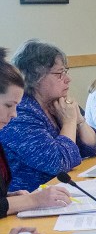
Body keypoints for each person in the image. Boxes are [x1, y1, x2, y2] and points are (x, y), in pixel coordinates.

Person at [0, 40, 96, 192]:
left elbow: (93, 147)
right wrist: (69, 122)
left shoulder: (59, 104)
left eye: (66, 72)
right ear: (35, 77)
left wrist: (80, 121)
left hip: (61, 193)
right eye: (59, 73)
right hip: (31, 201)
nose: (68, 79)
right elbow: (58, 164)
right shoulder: (20, 114)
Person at [0, 47, 72, 217]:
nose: (14, 114)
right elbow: (57, 162)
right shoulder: (22, 118)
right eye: (9, 106)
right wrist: (33, 200)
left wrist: (9, 199)